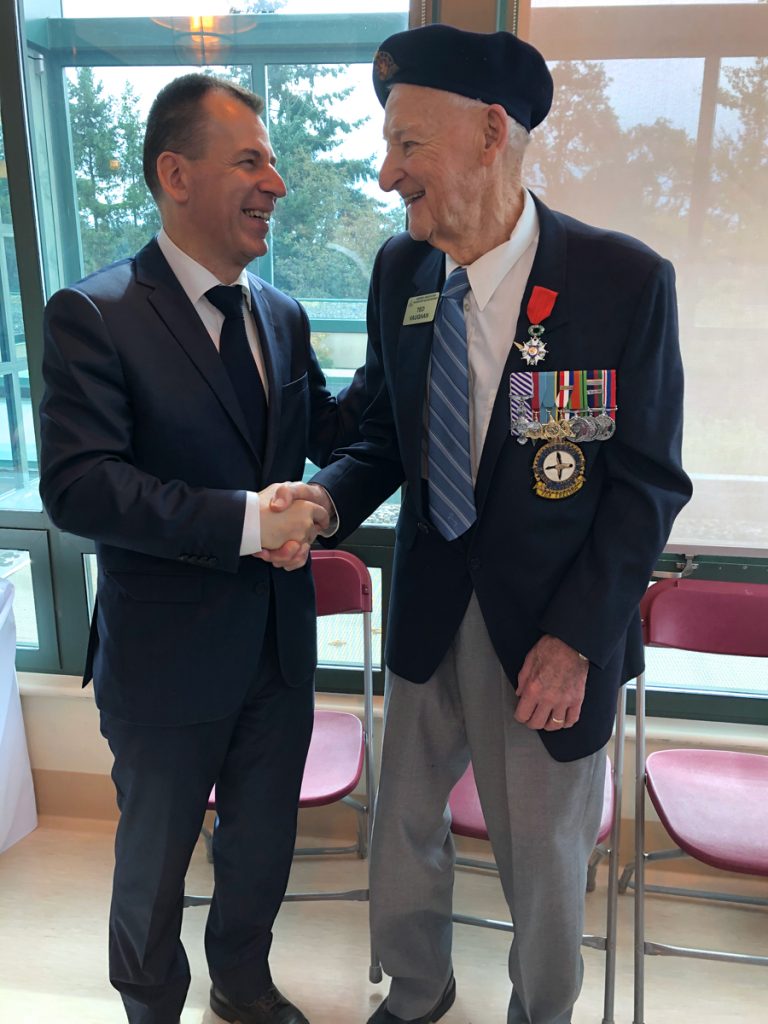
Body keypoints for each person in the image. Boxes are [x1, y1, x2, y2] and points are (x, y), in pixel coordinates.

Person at [272, 24, 692, 1024]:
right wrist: (327, 498)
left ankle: (540, 1014)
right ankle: (414, 996)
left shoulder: (620, 282)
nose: (387, 173)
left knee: (543, 861)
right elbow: (381, 434)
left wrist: (580, 640)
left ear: (491, 131)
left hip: (551, 635)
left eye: (408, 144)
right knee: (403, 834)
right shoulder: (402, 277)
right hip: (430, 612)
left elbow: (643, 484)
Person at [39, 73, 365, 1024]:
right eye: (252, 160)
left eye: (274, 160)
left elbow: (334, 431)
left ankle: (243, 981)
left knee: (261, 845)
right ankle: (151, 1003)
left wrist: (412, 344)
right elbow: (80, 485)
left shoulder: (283, 314)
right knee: (154, 857)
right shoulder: (94, 315)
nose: (278, 182)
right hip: (163, 657)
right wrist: (248, 523)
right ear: (175, 174)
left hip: (276, 647)